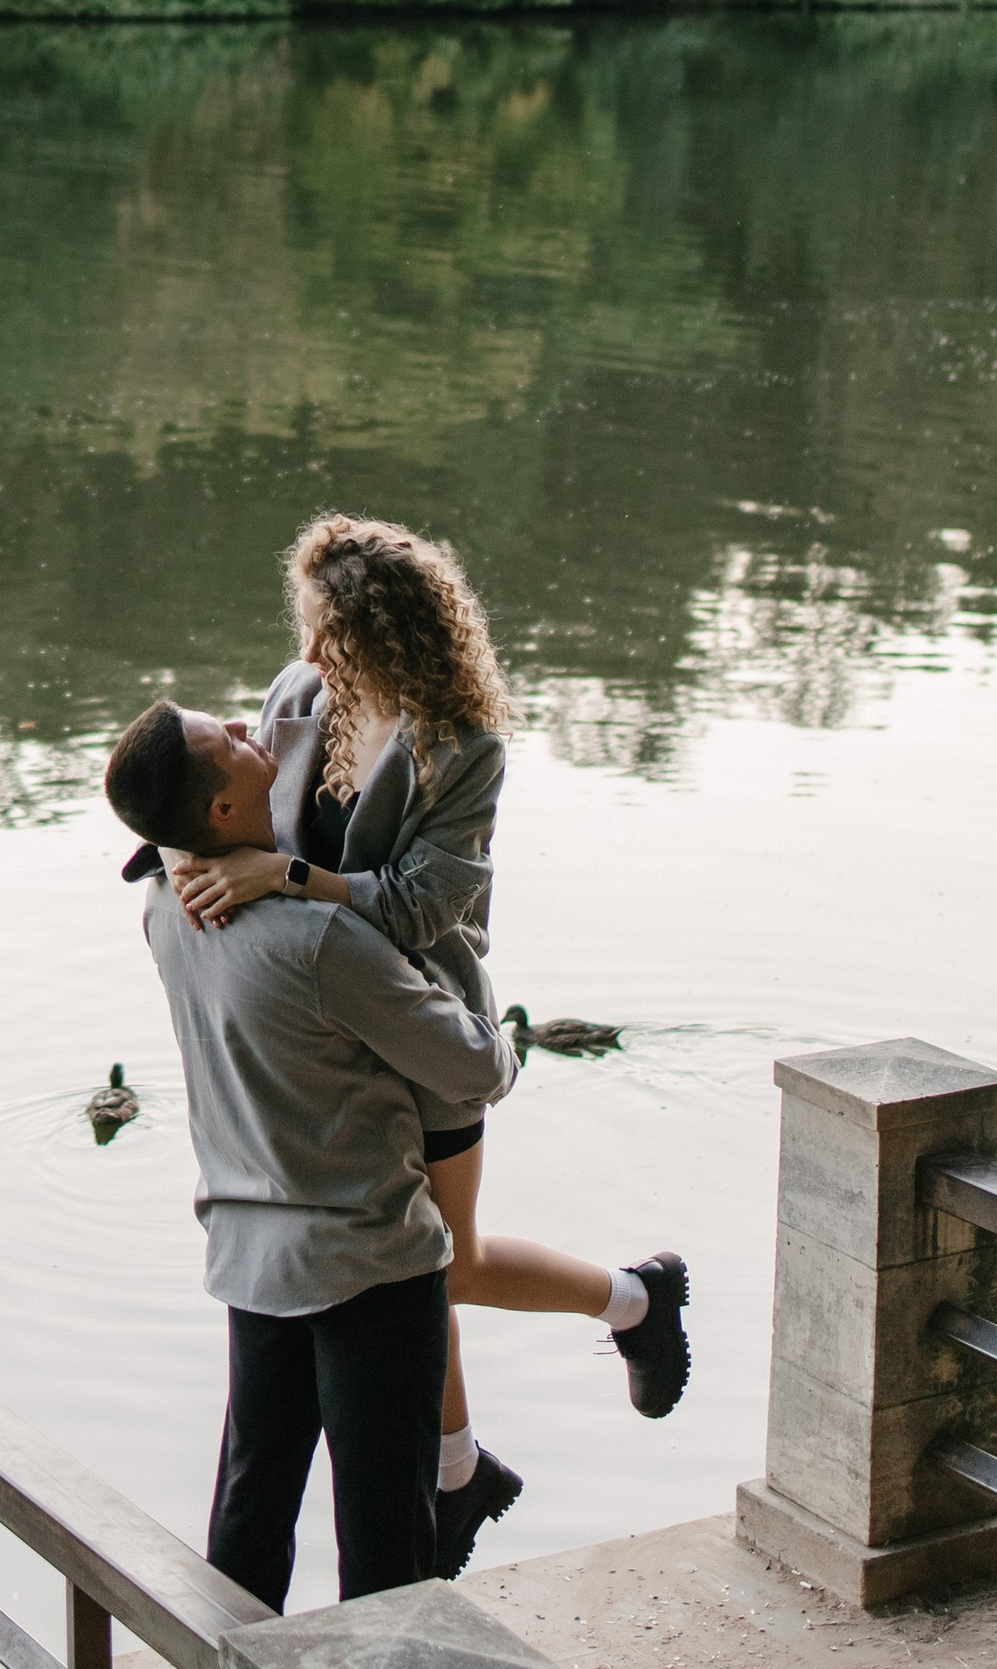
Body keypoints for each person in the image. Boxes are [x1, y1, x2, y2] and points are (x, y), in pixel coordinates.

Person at [170, 511, 688, 1578]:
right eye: (305, 628)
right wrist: (191, 866)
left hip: (421, 1016)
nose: (308, 656)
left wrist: (293, 882)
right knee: (416, 1282)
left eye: (331, 636)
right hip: (322, 1025)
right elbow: (229, 814)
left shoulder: (462, 749)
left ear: (393, 639)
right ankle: (462, 1468)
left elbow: (419, 907)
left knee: (434, 1272)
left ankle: (630, 1304)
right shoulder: (295, 697)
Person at [105, 690, 518, 1669]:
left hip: (249, 1256)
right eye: (231, 742)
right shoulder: (317, 941)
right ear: (228, 804)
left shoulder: (163, 910)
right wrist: (480, 1008)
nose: (257, 733)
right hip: (370, 1261)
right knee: (384, 1528)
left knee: (251, 1508)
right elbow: (476, 1067)